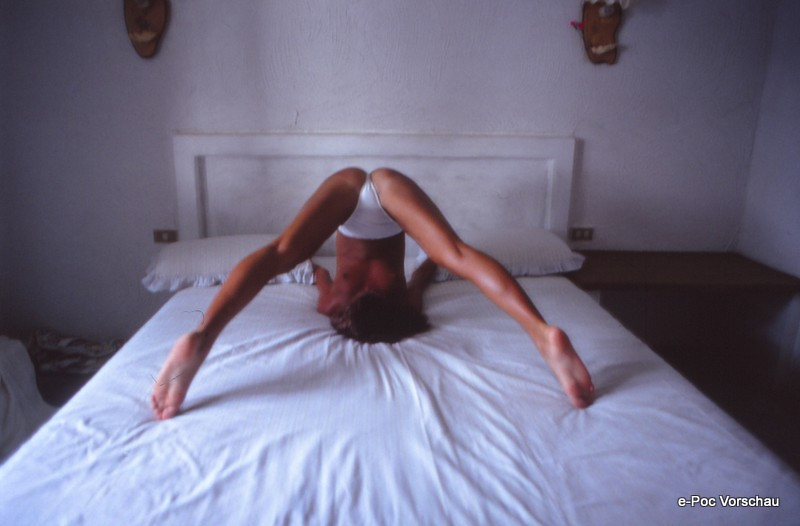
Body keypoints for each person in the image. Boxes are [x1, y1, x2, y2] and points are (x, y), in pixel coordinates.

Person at [151, 167, 595, 420]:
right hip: (373, 189)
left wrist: (426, 264)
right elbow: (327, 280)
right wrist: (320, 272)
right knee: (457, 252)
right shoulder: (335, 304)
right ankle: (539, 332)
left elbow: (418, 277)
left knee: (280, 251)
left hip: (372, 188)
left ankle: (205, 335)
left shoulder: (403, 305)